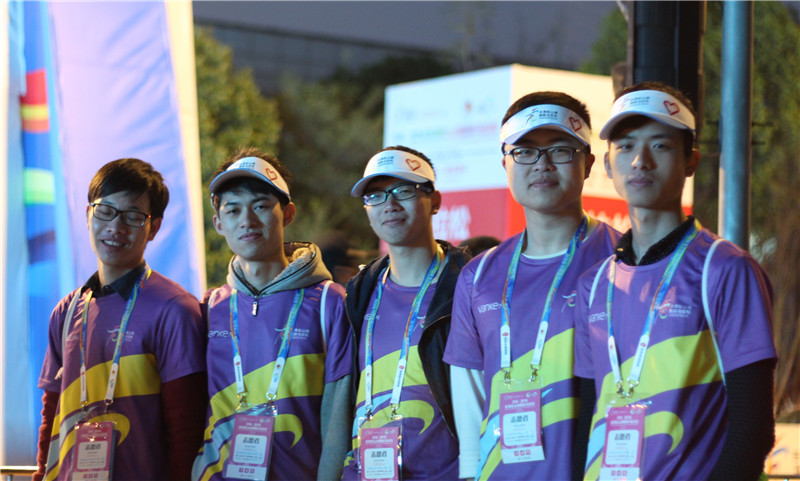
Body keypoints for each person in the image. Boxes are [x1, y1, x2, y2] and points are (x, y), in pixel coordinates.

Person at [573, 82, 777, 481]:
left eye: (661, 145)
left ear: (691, 161)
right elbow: (587, 419)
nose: (640, 161)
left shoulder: (725, 269)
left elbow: (753, 430)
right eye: (626, 146)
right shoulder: (592, 285)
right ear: (608, 164)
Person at [443, 92, 622, 480]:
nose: (542, 164)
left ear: (588, 163)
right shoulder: (478, 276)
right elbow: (471, 407)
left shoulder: (624, 260)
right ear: (505, 164)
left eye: (560, 150)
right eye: (524, 151)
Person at [35, 158, 206, 481]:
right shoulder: (67, 311)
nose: (116, 226)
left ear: (154, 227)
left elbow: (186, 428)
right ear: (88, 215)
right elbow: (51, 412)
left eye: (133, 216)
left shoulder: (175, 309)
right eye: (105, 211)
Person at [192, 148, 353, 481]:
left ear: (288, 213)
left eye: (261, 206)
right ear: (218, 223)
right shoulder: (209, 308)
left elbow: (338, 419)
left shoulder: (330, 302)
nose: (247, 221)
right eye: (233, 210)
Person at [341, 146, 471, 480]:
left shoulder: (467, 285)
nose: (390, 205)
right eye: (375, 195)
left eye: (404, 190)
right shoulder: (359, 292)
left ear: (435, 201)